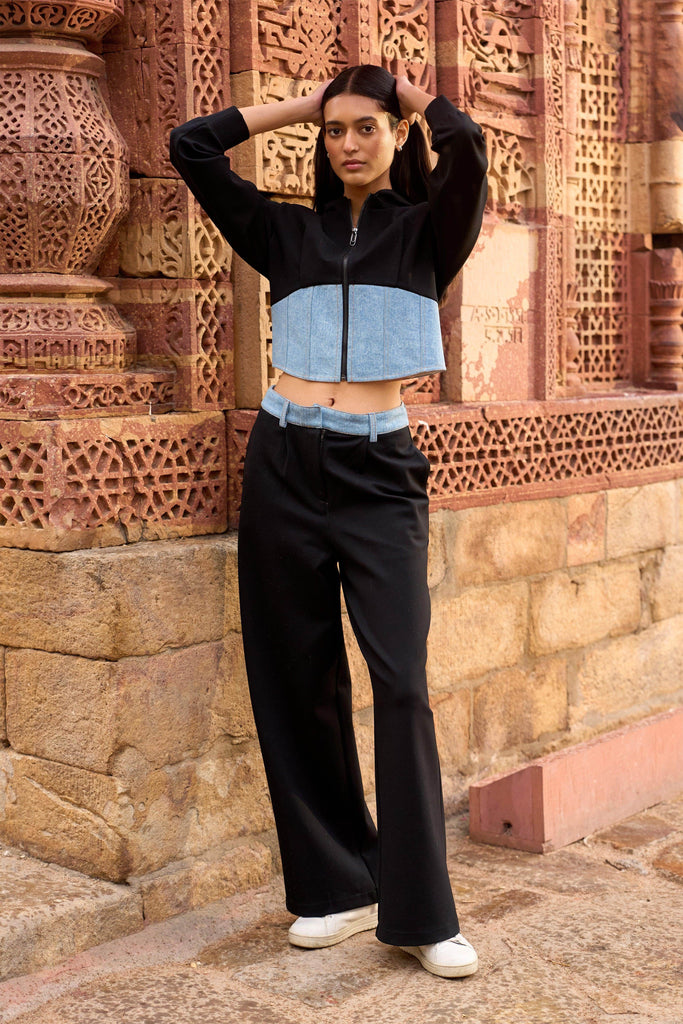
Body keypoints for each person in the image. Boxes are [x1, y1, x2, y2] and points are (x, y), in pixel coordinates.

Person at [170, 64, 488, 979]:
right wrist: (300, 106)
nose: (348, 143)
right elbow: (191, 146)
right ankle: (337, 887)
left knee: (401, 683)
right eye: (335, 130)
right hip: (281, 459)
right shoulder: (285, 230)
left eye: (366, 127)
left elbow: (468, 145)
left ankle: (421, 912)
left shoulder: (428, 228)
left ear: (396, 134)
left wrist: (403, 95)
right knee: (294, 676)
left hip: (378, 471)